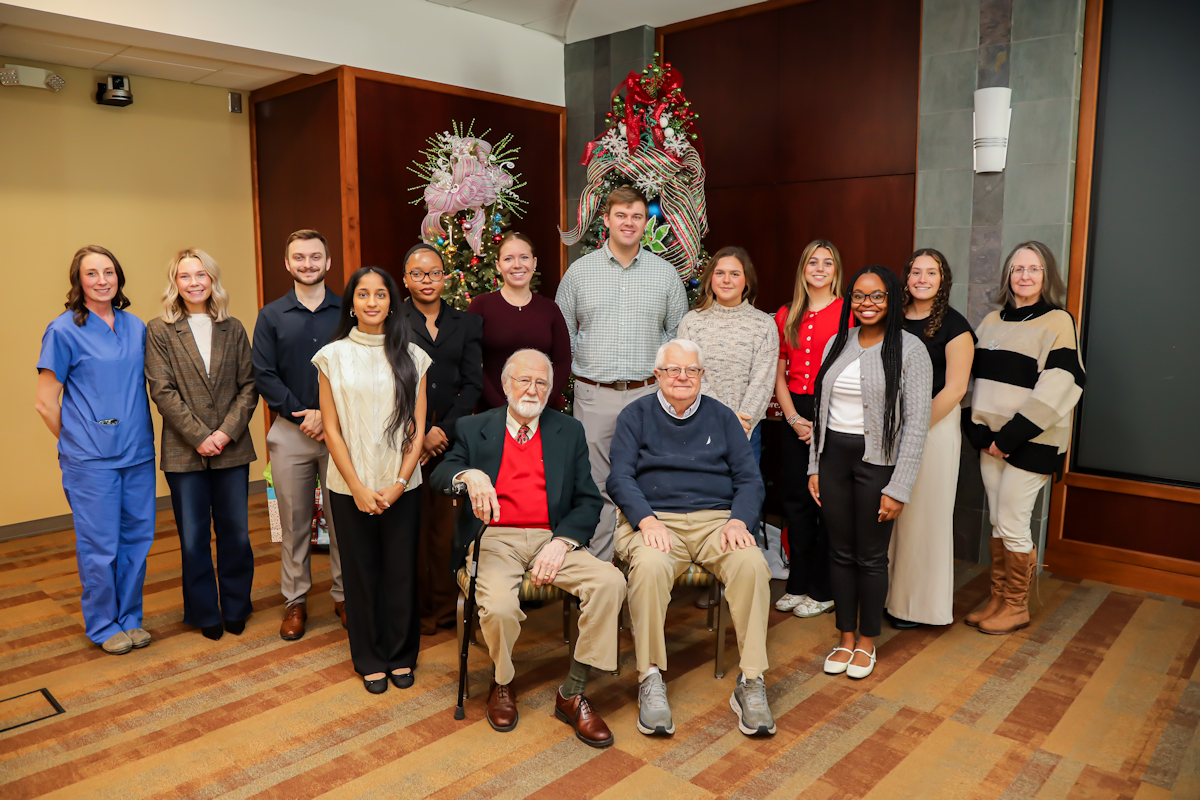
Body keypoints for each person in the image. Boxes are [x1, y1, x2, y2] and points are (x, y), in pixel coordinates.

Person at [431, 349, 625, 748]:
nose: (532, 390)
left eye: (541, 382)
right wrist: (468, 475)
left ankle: (572, 691)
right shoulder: (474, 427)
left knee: (609, 582)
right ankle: (502, 682)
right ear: (505, 385)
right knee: (499, 605)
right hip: (494, 536)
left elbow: (588, 500)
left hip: (552, 538)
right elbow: (440, 474)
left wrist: (562, 542)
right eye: (524, 380)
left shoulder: (567, 431)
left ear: (551, 389)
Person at [609, 339, 775, 738]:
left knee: (753, 564)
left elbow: (749, 479)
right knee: (647, 568)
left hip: (716, 521)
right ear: (658, 374)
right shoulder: (635, 415)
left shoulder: (722, 417)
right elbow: (620, 477)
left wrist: (739, 522)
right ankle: (649, 676)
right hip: (655, 519)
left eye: (691, 370)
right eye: (673, 370)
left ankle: (751, 681)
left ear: (703, 375)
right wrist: (645, 521)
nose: (682, 377)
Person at [808, 266, 932, 679]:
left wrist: (900, 486)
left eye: (877, 296)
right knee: (839, 552)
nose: (867, 304)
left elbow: (916, 423)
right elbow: (818, 411)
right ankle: (845, 637)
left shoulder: (910, 349)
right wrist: (814, 466)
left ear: (891, 299)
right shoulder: (836, 342)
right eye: (859, 296)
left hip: (877, 463)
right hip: (832, 460)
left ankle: (867, 642)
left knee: (871, 556)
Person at [556, 186, 688, 562]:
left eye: (636, 216)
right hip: (594, 394)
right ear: (607, 220)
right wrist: (588, 366)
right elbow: (563, 330)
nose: (628, 223)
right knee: (595, 485)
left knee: (647, 480)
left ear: (646, 222)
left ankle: (645, 570)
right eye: (621, 215)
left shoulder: (665, 275)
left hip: (649, 396)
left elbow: (676, 334)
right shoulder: (580, 272)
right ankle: (600, 572)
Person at [35, 245, 157, 655]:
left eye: (109, 271)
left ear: (118, 277)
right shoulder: (63, 330)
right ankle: (103, 624)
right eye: (92, 273)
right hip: (91, 461)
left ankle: (130, 618)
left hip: (137, 451)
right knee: (100, 545)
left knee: (137, 539)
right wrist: (75, 442)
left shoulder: (135, 325)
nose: (102, 280)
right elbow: (45, 402)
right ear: (78, 281)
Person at [313, 267, 429, 693]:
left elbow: (417, 428)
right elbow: (331, 429)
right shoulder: (331, 356)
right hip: (350, 486)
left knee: (400, 572)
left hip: (403, 486)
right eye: (363, 295)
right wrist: (359, 487)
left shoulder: (413, 356)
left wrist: (398, 483)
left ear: (391, 302)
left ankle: (400, 654)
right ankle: (369, 657)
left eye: (381, 294)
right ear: (352, 303)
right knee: (362, 575)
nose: (373, 302)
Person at [964, 241, 1084, 635]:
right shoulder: (991, 322)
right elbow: (972, 381)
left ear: (1046, 276)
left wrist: (1010, 437)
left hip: (1031, 442)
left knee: (1014, 522)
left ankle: (1016, 606)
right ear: (1008, 276)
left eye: (1034, 269)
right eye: (1018, 269)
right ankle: (999, 598)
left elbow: (1061, 385)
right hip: (991, 443)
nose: (1025, 276)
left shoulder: (1058, 322)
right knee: (1000, 522)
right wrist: (977, 430)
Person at [145, 249, 259, 641]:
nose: (194, 283)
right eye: (185, 276)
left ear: (213, 280)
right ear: (174, 283)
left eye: (201, 275)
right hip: (183, 451)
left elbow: (248, 387)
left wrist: (224, 433)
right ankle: (203, 611)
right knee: (193, 536)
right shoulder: (159, 330)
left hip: (233, 448)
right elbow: (162, 390)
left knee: (236, 534)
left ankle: (236, 605)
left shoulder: (234, 328)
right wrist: (200, 437)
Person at [252, 229, 345, 641]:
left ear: (328, 263)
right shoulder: (270, 316)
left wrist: (328, 415)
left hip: (342, 431)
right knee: (294, 522)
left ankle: (345, 595)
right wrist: (303, 413)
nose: (308, 264)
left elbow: (360, 367)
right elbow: (263, 374)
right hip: (291, 432)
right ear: (287, 264)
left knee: (344, 520)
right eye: (299, 258)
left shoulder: (348, 310)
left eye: (315, 257)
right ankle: (295, 600)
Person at [885, 249, 975, 629]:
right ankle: (887, 597)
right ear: (906, 278)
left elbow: (955, 389)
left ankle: (918, 608)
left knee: (924, 518)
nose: (922, 278)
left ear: (943, 280)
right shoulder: (891, 321)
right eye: (916, 272)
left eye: (931, 272)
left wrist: (915, 429)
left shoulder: (956, 327)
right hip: (890, 427)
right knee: (890, 516)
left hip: (934, 430)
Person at [400, 244, 484, 635]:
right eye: (417, 274)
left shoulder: (466, 324)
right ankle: (416, 611)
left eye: (433, 273)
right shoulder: (393, 321)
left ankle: (446, 607)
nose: (426, 280)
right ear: (405, 279)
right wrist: (418, 435)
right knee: (410, 527)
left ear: (445, 276)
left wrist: (443, 431)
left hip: (450, 437)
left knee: (445, 528)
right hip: (404, 438)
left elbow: (472, 384)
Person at [773, 240, 845, 619]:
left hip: (835, 414)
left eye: (827, 263)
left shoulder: (848, 312)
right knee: (797, 502)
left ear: (836, 270)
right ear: (803, 269)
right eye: (812, 262)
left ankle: (823, 588)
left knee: (827, 504)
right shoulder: (787, 313)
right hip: (795, 413)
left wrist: (822, 422)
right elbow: (778, 373)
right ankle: (797, 583)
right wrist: (794, 419)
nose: (819, 268)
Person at [676, 246, 778, 462]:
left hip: (746, 429)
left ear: (746, 281)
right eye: (719, 273)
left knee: (743, 493)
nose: (726, 280)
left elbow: (762, 381)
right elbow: (688, 375)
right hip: (699, 426)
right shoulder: (691, 323)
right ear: (710, 278)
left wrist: (739, 424)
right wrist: (723, 419)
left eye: (735, 274)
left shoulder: (764, 326)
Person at [468, 233, 571, 408]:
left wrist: (543, 401)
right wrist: (502, 408)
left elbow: (563, 362)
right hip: (492, 412)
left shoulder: (550, 309)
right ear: (498, 266)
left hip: (541, 411)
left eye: (524, 257)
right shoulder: (481, 306)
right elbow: (470, 362)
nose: (517, 265)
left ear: (534, 263)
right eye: (509, 259)